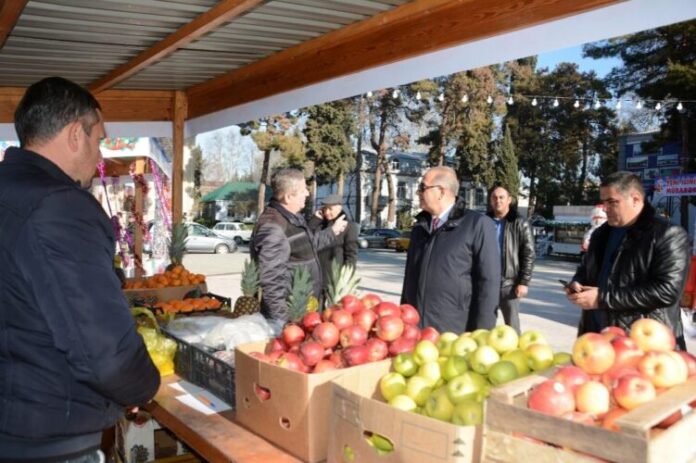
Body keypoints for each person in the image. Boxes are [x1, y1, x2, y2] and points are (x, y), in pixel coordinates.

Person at [0, 77, 160, 462]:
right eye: (98, 139)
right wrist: (139, 388)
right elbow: (103, 352)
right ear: (75, 134)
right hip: (48, 438)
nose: (99, 156)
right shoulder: (61, 207)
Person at [566, 171, 689, 349]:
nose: (604, 208)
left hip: (643, 343)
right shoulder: (601, 234)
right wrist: (577, 283)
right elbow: (585, 270)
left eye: (612, 202)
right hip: (596, 337)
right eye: (603, 202)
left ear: (636, 199)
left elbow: (667, 291)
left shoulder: (667, 234)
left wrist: (602, 298)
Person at [401, 166, 501, 333]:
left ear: (441, 191)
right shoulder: (420, 227)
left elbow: (488, 284)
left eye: (422, 188)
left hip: (453, 331)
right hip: (415, 331)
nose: (418, 193)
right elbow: (409, 279)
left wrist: (482, 334)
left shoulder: (477, 225)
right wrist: (403, 319)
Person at [251, 169, 347, 324]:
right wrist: (282, 323)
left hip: (303, 307)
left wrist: (332, 231)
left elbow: (306, 247)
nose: (308, 194)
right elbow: (271, 281)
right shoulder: (274, 227)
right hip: (290, 316)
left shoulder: (291, 217)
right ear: (289, 197)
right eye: (303, 190)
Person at [486, 183, 535, 334]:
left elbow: (529, 254)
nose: (498, 200)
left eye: (501, 197)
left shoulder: (520, 223)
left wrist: (523, 282)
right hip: (486, 282)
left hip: (509, 284)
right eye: (494, 197)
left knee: (512, 328)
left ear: (509, 200)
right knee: (484, 325)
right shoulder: (483, 222)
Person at [308, 194, 359, 291]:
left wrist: (346, 279)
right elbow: (307, 239)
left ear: (339, 208)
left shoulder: (349, 226)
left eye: (330, 209)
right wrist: (315, 219)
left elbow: (351, 255)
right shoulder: (319, 224)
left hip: (334, 279)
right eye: (325, 208)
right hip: (315, 278)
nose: (327, 212)